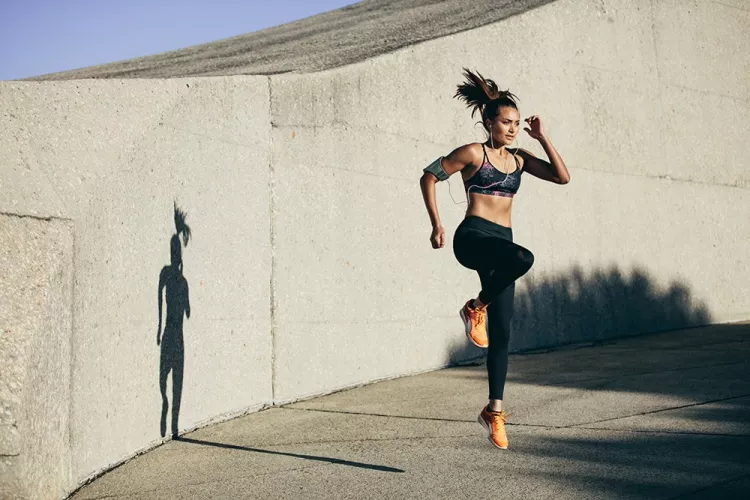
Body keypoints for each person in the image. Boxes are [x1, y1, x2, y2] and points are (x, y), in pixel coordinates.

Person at [419, 68, 570, 449]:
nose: (513, 129)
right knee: (525, 257)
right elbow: (429, 176)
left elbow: (562, 177)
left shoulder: (520, 160)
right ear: (489, 122)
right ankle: (475, 306)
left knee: (502, 333)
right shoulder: (474, 153)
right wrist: (437, 224)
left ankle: (494, 411)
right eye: (506, 122)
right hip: (473, 236)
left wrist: (543, 137)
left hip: (502, 245)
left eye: (518, 124)